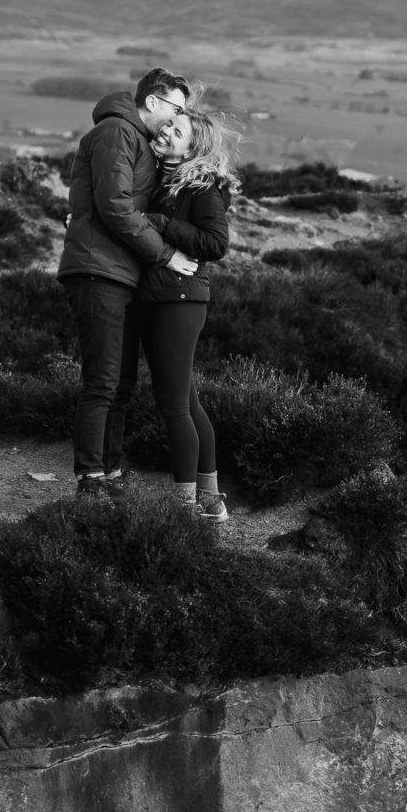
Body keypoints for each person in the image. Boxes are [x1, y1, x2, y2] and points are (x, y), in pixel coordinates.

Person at [56, 68, 196, 496]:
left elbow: (106, 201)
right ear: (152, 103)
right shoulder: (117, 132)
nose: (177, 118)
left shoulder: (133, 139)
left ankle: (110, 471)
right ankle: (91, 478)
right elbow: (115, 206)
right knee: (102, 381)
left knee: (120, 382)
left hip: (117, 270)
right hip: (98, 268)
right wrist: (166, 254)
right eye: (175, 108)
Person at [134, 109, 241, 521]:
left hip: (179, 300)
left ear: (192, 148)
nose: (165, 132)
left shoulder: (202, 188)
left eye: (176, 132)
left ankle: (183, 506)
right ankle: (210, 500)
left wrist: (161, 223)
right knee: (188, 403)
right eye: (167, 125)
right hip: (167, 298)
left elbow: (216, 243)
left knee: (174, 406)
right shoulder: (167, 180)